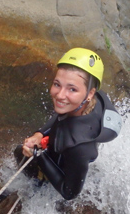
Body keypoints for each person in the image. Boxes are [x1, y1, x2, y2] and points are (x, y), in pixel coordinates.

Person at [14, 48, 122, 200]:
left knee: (20, 153)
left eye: (72, 89)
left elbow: (70, 192)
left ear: (90, 93)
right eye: (57, 84)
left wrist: (39, 156)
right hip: (78, 147)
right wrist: (39, 134)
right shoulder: (89, 101)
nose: (60, 95)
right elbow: (61, 114)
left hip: (73, 158)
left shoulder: (77, 145)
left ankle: (37, 187)